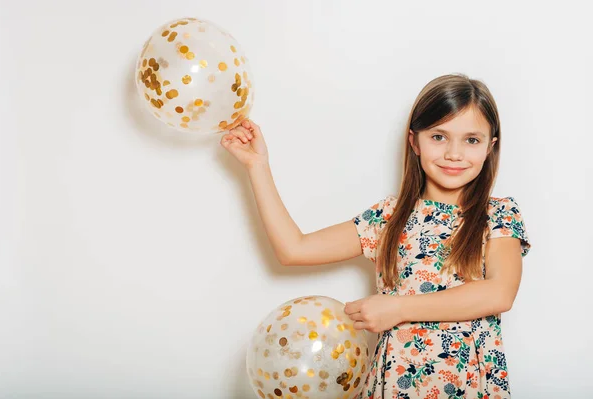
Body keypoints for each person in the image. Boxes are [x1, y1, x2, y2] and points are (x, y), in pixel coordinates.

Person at [220, 73, 531, 399]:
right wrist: (258, 167)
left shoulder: (498, 214)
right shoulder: (389, 217)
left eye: (471, 140)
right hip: (398, 384)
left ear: (489, 147)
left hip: (470, 384)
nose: (454, 153)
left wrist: (397, 309)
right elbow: (294, 249)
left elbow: (499, 294)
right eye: (439, 137)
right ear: (414, 142)